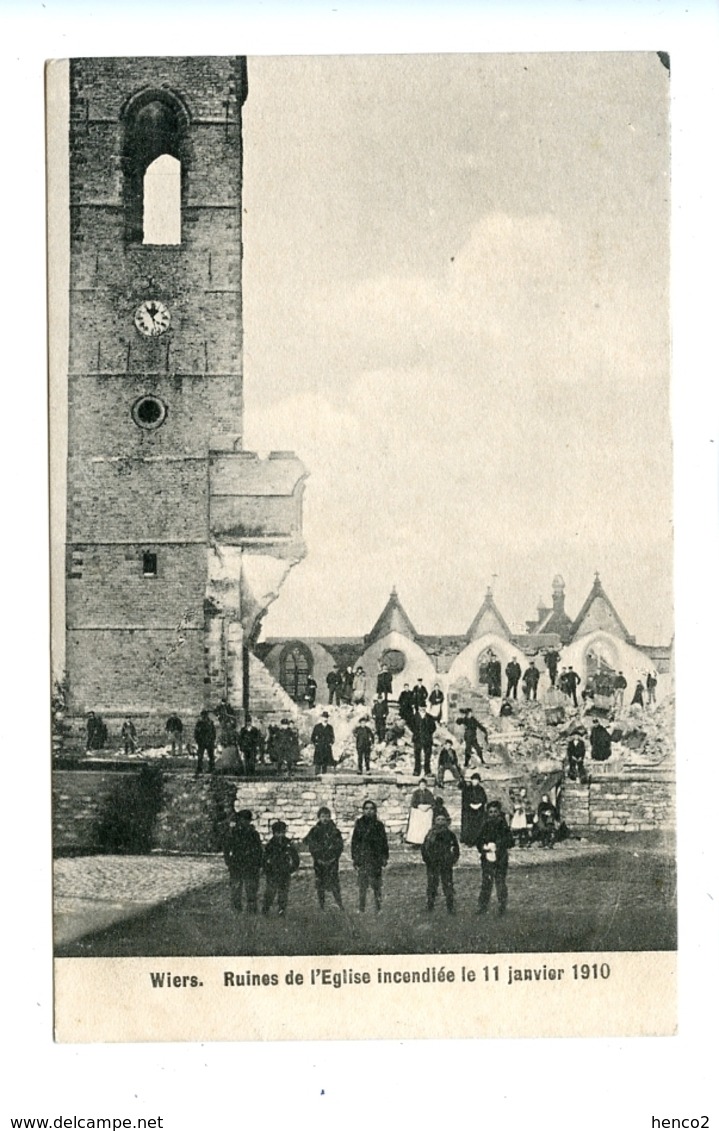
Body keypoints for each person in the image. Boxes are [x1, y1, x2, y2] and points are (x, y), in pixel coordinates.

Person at [351, 800, 389, 912]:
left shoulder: (379, 825)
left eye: (371, 809)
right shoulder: (359, 824)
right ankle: (361, 908)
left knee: (376, 885)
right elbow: (355, 842)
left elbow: (384, 842)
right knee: (362, 885)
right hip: (363, 859)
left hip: (375, 859)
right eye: (366, 809)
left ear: (375, 811)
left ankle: (378, 908)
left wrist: (384, 857)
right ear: (363, 811)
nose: (369, 811)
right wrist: (355, 858)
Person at [476, 800, 513, 916]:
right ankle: (482, 906)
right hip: (487, 858)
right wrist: (483, 847)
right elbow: (478, 840)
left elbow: (510, 841)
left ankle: (502, 906)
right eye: (490, 812)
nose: (493, 814)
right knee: (486, 882)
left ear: (499, 812)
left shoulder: (503, 825)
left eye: (495, 812)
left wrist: (498, 845)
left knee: (500, 882)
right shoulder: (485, 825)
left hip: (500, 857)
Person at [224, 805, 263, 913]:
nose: (245, 822)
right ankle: (236, 910)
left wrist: (259, 863)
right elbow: (227, 848)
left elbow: (258, 849)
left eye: (247, 820)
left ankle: (252, 910)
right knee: (236, 888)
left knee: (251, 889)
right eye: (243, 820)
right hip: (237, 863)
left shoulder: (254, 834)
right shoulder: (233, 833)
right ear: (239, 820)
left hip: (251, 864)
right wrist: (228, 861)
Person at [306, 807, 344, 910]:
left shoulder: (335, 831)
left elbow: (340, 846)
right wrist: (317, 856)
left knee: (334, 882)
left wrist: (334, 857)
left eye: (327, 816)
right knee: (320, 883)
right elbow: (310, 844)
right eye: (322, 816)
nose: (325, 819)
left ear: (330, 817)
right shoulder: (314, 831)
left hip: (332, 861)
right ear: (319, 817)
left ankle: (340, 904)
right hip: (319, 862)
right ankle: (322, 905)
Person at [422, 813, 460, 913]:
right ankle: (430, 905)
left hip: (445, 863)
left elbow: (455, 848)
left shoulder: (450, 835)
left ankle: (450, 907)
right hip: (432, 863)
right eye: (438, 819)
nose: (440, 822)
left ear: (446, 822)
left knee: (448, 884)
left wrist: (452, 859)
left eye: (442, 819)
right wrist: (427, 860)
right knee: (432, 885)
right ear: (434, 821)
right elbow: (424, 848)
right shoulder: (430, 835)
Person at [262, 820, 300, 917]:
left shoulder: (288, 843)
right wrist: (267, 869)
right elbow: (265, 859)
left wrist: (292, 868)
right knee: (270, 892)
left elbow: (295, 857)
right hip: (273, 872)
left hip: (284, 872)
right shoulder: (270, 845)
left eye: (282, 832)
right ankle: (266, 909)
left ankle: (282, 910)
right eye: (278, 833)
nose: (280, 835)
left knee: (283, 892)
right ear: (274, 833)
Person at [406, 778, 436, 846]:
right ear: (419, 785)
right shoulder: (416, 793)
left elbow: (432, 803)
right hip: (418, 811)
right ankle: (416, 841)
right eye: (421, 785)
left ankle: (425, 840)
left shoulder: (429, 793)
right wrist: (419, 806)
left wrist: (428, 806)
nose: (423, 786)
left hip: (426, 811)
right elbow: (413, 803)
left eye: (424, 785)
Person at [459, 772, 487, 846]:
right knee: (469, 825)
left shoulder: (481, 789)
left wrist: (479, 805)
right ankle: (469, 841)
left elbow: (484, 799)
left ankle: (478, 840)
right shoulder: (467, 789)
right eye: (474, 780)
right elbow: (465, 799)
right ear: (471, 780)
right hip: (469, 811)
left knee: (478, 825)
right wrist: (471, 805)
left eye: (477, 780)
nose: (475, 781)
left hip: (479, 810)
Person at [412, 706, 437, 776]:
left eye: (424, 707)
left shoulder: (429, 717)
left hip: (427, 739)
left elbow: (434, 727)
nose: (422, 709)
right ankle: (417, 771)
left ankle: (427, 771)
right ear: (418, 708)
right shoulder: (414, 717)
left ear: (426, 708)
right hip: (418, 739)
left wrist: (428, 733)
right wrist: (416, 733)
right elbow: (411, 726)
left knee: (427, 756)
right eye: (421, 707)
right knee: (417, 756)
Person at [194, 709, 216, 775]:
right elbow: (196, 733)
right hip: (202, 742)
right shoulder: (199, 723)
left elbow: (213, 732)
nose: (204, 716)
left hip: (209, 742)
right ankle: (199, 768)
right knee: (200, 756)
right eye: (203, 715)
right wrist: (198, 740)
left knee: (211, 756)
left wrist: (212, 740)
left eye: (205, 715)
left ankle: (211, 768)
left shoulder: (210, 722)